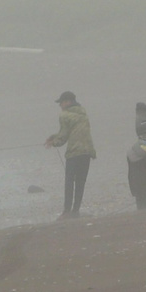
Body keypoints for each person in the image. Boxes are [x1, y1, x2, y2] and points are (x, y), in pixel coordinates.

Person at [44, 90, 96, 219]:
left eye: (61, 103)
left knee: (69, 181)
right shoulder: (83, 113)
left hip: (74, 152)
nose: (60, 106)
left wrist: (53, 143)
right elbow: (72, 130)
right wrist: (54, 137)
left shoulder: (65, 115)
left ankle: (66, 211)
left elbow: (63, 136)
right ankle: (75, 211)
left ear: (67, 102)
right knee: (80, 182)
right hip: (87, 151)